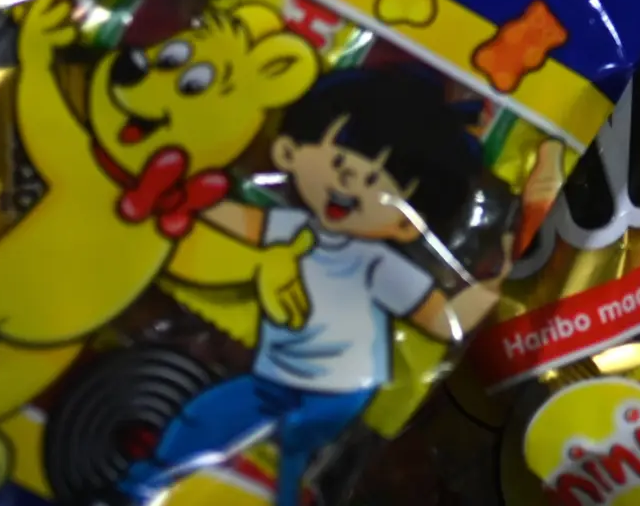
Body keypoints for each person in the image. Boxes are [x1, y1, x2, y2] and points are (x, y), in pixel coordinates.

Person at [119, 68, 506, 506]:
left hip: (340, 388)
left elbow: (438, 317)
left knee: (290, 452)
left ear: (404, 223)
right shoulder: (295, 227)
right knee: (209, 416)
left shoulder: (375, 262)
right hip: (277, 369)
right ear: (289, 153)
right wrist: (185, 196)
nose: (347, 186)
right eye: (341, 164)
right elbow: (244, 222)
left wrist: (488, 290)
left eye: (376, 185)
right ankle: (139, 486)